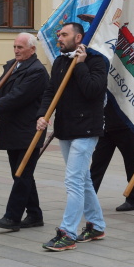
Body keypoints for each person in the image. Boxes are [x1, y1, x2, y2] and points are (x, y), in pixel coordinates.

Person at [37, 23, 108, 251]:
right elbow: (51, 91)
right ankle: (96, 225)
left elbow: (92, 90)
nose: (59, 38)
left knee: (73, 180)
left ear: (78, 38)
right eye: (59, 34)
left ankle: (68, 232)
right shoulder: (60, 61)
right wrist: (43, 115)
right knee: (83, 179)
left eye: (64, 35)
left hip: (86, 129)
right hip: (66, 128)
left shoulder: (97, 61)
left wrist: (80, 64)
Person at [0, 32, 50, 232]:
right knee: (21, 174)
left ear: (32, 50)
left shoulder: (37, 71)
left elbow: (17, 96)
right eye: (15, 47)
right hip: (12, 129)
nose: (16, 50)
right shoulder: (12, 66)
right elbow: (0, 90)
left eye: (20, 47)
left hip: (29, 130)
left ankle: (12, 217)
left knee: (22, 174)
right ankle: (34, 214)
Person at [89, 101, 134, 212]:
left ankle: (133, 199)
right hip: (106, 125)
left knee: (131, 163)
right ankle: (89, 198)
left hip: (126, 124)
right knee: (97, 163)